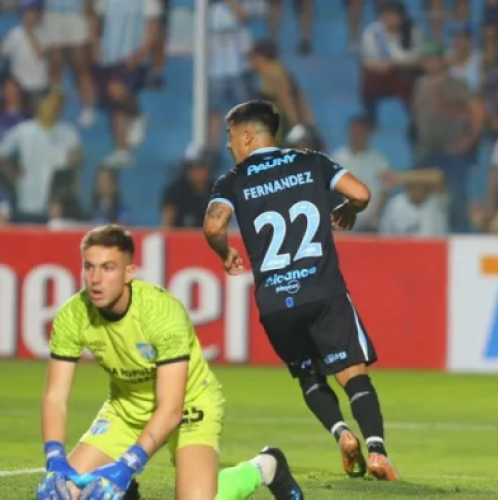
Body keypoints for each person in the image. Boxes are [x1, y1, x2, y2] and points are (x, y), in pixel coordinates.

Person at [203, 100, 399, 481]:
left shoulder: (232, 180)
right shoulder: (311, 161)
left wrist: (225, 252)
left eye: (230, 137)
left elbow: (213, 228)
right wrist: (348, 211)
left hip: (276, 301)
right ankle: (375, 449)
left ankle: (342, 434)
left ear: (247, 135)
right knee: (352, 372)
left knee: (309, 376)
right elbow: (360, 194)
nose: (228, 145)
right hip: (323, 290)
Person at [36, 224, 303, 500]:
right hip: (126, 409)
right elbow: (55, 396)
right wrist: (55, 459)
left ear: (129, 272)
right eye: (89, 267)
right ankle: (126, 493)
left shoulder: (162, 312)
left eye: (108, 268)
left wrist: (127, 465)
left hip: (189, 405)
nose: (95, 279)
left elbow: (171, 408)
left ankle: (264, 467)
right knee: (63, 494)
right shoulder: (73, 314)